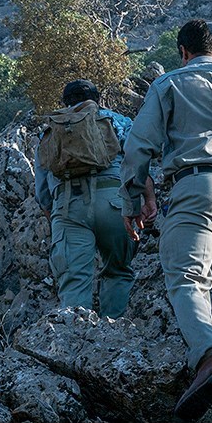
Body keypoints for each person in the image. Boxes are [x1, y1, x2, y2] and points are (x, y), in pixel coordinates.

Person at [119, 19, 212, 421]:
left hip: (199, 186)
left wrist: (135, 198)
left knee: (187, 278)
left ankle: (208, 357)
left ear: (183, 52)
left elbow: (139, 147)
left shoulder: (169, 83)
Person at [35, 79, 157, 319]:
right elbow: (137, 162)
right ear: (97, 99)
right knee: (118, 271)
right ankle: (111, 334)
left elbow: (42, 192)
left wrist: (57, 217)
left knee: (74, 280)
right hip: (113, 202)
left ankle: (73, 341)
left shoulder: (51, 129)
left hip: (68, 205)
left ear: (65, 103)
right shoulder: (116, 120)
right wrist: (148, 199)